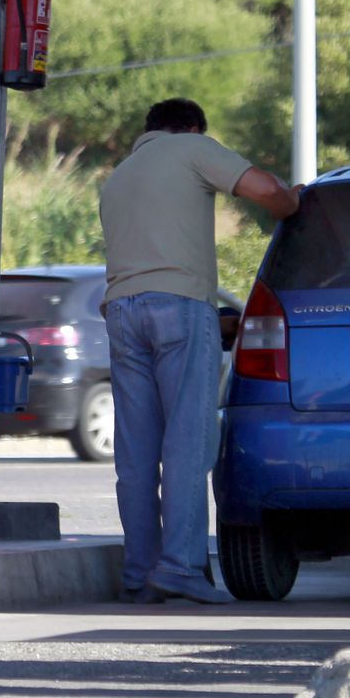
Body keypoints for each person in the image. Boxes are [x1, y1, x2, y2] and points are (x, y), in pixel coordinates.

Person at [98, 98, 299, 604]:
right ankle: (182, 567)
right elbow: (267, 192)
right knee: (189, 441)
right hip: (180, 310)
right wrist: (293, 202)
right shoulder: (192, 146)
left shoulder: (119, 175)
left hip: (122, 313)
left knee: (136, 453)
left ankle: (140, 572)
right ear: (190, 127)